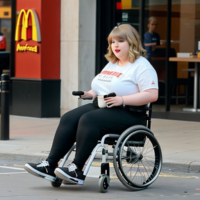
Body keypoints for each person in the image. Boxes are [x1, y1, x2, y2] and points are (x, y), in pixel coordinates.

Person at [24, 24, 159, 185]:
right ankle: (50, 164)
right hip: (105, 107)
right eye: (112, 41)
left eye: (120, 41)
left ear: (132, 42)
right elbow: (103, 86)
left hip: (129, 113)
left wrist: (122, 100)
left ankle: (77, 168)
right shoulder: (113, 64)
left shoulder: (142, 66)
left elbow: (152, 94)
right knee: (69, 117)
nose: (115, 45)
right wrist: (90, 93)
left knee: (89, 119)